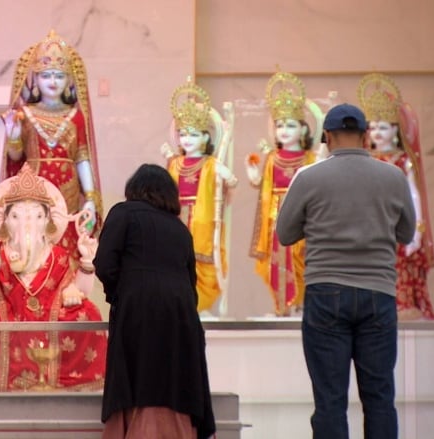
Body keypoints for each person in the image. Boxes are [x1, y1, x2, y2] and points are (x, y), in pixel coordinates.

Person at [276, 104, 415, 439]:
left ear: (326, 136)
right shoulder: (393, 177)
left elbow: (285, 234)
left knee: (329, 400)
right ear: (366, 136)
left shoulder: (308, 178)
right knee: (380, 398)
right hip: (378, 293)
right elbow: (407, 234)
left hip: (326, 292)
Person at [0, 163, 106, 391]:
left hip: (52, 322)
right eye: (16, 217)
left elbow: (82, 292)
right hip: (8, 321)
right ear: (5, 222)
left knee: (88, 313)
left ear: (48, 222)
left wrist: (86, 263)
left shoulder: (58, 256)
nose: (27, 225)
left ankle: (70, 380)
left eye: (36, 216)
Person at [95, 164, 216, 439]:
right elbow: (191, 281)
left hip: (138, 305)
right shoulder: (180, 229)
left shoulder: (123, 213)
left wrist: (121, 294)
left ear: (134, 190)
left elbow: (105, 264)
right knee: (176, 378)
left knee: (138, 376)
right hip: (182, 310)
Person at [1, 30, 103, 267]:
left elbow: (82, 157)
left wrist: (90, 196)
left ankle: (66, 293)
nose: (53, 82)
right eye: (46, 76)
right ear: (34, 80)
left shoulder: (76, 116)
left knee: (66, 242)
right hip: (34, 189)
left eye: (59, 76)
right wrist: (14, 137)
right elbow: (16, 157)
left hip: (69, 190)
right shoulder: (24, 114)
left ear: (69, 81)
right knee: (34, 244)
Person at [358, 73, 434, 320]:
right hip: (369, 229)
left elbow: (413, 196)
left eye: (383, 127)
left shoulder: (403, 161)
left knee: (398, 271)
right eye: (372, 127)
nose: (376, 133)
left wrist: (416, 231)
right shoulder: (363, 160)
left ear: (396, 130)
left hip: (396, 227)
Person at [245, 70, 320, 317]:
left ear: (304, 130)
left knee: (299, 261)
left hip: (302, 218)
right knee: (275, 266)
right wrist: (253, 172)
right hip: (274, 220)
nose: (284, 130)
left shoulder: (310, 159)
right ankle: (281, 307)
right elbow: (261, 184)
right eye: (279, 125)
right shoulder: (272, 158)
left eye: (290, 125)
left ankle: (298, 304)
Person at [163, 79, 237, 314]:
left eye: (193, 135)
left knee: (202, 265)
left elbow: (229, 180)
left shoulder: (210, 163)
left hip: (202, 223)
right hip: (176, 222)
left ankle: (200, 304)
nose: (187, 140)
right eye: (183, 134)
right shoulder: (174, 163)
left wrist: (227, 176)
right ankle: (181, 305)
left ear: (206, 138)